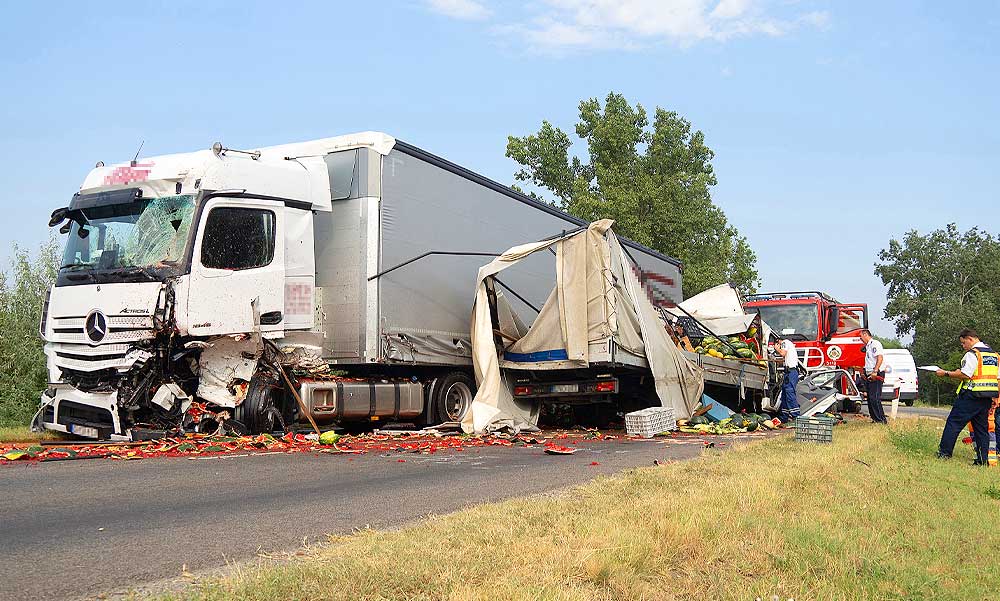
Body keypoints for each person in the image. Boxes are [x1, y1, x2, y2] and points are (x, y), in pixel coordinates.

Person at [936, 328, 998, 465]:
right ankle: (982, 460)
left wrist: (946, 373)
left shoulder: (973, 354)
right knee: (981, 429)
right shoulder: (994, 355)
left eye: (964, 343)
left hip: (971, 395)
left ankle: (944, 453)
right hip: (987, 397)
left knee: (954, 423)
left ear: (970, 339)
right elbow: (996, 377)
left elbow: (966, 374)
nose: (963, 346)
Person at [859, 329, 888, 424]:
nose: (861, 339)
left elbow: (879, 358)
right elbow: (869, 361)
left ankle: (881, 420)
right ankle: (875, 418)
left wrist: (875, 371)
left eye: (861, 337)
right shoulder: (868, 346)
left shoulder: (875, 344)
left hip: (876, 373)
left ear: (865, 334)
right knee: (870, 398)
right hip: (869, 374)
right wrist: (864, 372)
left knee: (875, 397)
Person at [773, 337, 801, 423]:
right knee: (784, 395)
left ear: (778, 342)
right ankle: (784, 416)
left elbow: (783, 353)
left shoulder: (784, 342)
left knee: (789, 393)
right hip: (789, 372)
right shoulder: (790, 345)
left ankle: (796, 415)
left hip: (791, 372)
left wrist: (777, 349)